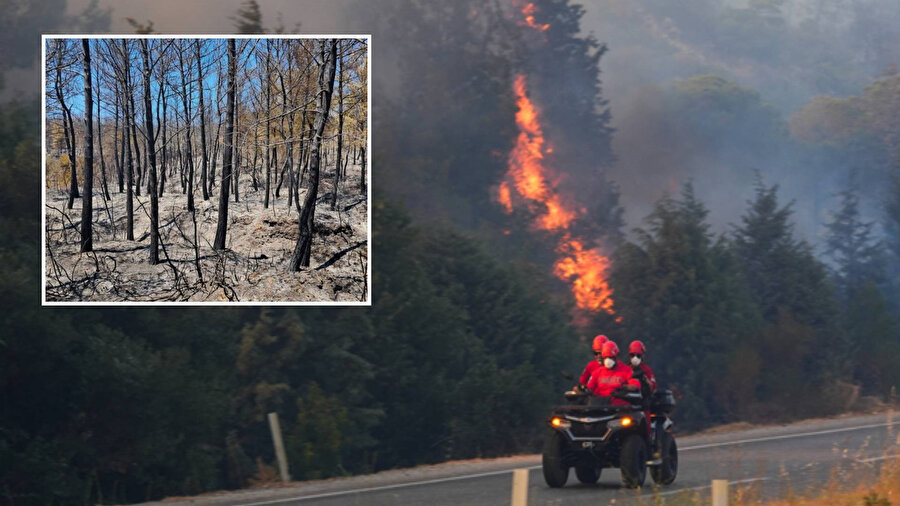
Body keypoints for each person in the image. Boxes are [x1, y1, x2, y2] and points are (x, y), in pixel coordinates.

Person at [586, 341, 640, 406]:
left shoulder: (627, 370)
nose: (608, 360)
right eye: (606, 357)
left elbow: (635, 386)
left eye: (610, 357)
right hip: (600, 405)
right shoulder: (597, 372)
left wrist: (624, 387)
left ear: (616, 357)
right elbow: (588, 388)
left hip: (619, 406)